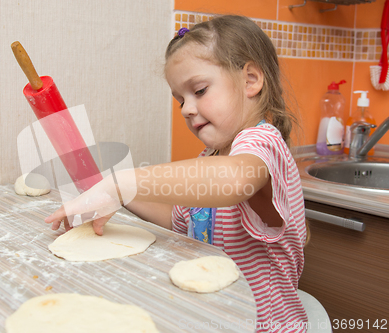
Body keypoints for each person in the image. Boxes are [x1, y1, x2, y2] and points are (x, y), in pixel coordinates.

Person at [46, 15, 308, 332]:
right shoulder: (210, 157)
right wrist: (123, 193)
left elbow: (235, 180)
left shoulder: (262, 144)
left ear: (250, 79)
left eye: (199, 90)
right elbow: (179, 220)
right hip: (214, 320)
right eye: (180, 99)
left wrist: (120, 184)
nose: (185, 108)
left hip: (264, 326)